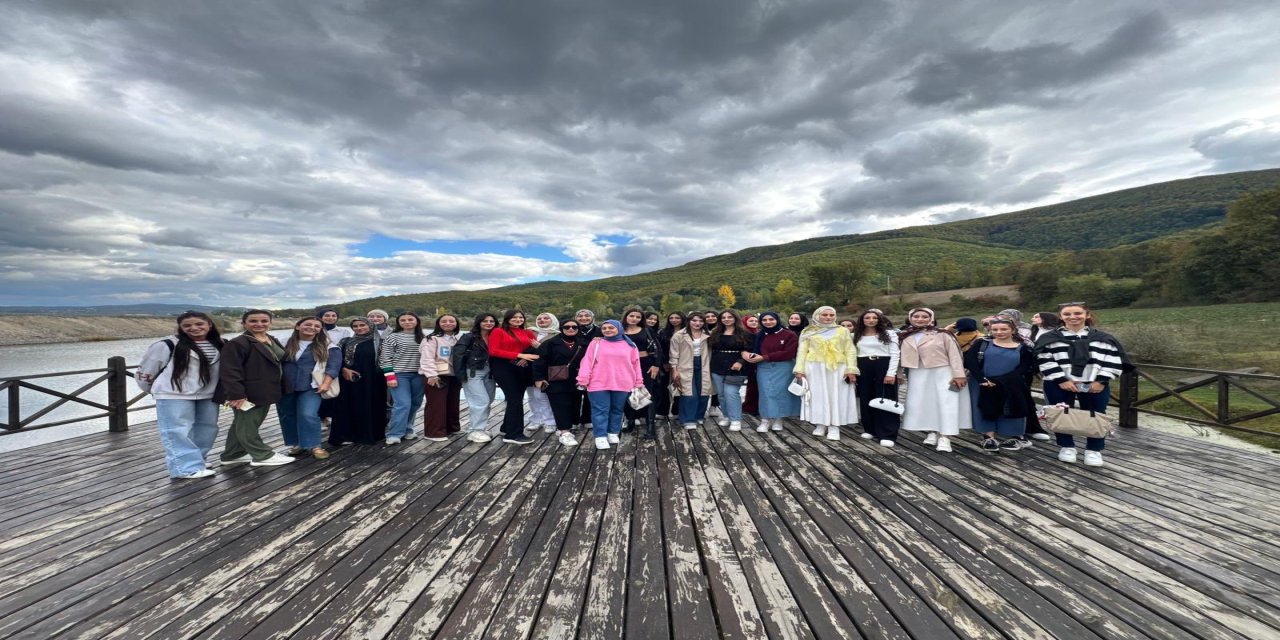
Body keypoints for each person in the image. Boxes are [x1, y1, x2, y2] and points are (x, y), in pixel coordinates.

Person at [1034, 302, 1131, 467]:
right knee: (1060, 414)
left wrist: (1101, 380)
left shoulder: (1103, 338)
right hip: (1059, 383)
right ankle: (1066, 447)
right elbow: (1044, 359)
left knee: (1096, 415)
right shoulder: (1049, 338)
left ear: (1087, 315)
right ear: (1061, 317)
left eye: (1077, 313)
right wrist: (1061, 380)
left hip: (1093, 384)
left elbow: (1113, 360)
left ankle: (1094, 450)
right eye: (1067, 314)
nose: (1073, 317)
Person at [136, 311, 225, 478]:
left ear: (209, 325)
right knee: (177, 430)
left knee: (207, 429)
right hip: (174, 394)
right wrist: (157, 390)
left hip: (208, 394)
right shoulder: (166, 345)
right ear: (180, 328)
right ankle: (185, 468)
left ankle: (198, 460)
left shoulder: (219, 344)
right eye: (187, 325)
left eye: (199, 324)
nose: (194, 328)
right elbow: (146, 371)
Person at [214, 310, 294, 466]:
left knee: (243, 423)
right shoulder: (238, 343)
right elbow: (229, 371)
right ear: (244, 323)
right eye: (253, 321)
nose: (259, 324)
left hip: (265, 390)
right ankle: (262, 455)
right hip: (248, 392)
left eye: (264, 321)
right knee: (248, 424)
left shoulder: (270, 339)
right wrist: (236, 394)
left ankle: (233, 454)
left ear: (270, 323)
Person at [897, 308, 970, 452]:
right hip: (918, 372)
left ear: (931, 318)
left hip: (942, 371)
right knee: (925, 402)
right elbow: (897, 357)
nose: (920, 319)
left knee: (946, 402)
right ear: (910, 318)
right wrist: (898, 373)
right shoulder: (904, 335)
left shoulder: (943, 334)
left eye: (924, 316)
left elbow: (955, 355)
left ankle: (945, 436)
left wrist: (959, 374)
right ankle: (931, 430)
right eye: (916, 316)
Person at [966, 318, 1036, 453]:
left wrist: (1001, 381)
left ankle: (1014, 435)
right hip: (983, 383)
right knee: (984, 407)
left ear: (1013, 330)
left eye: (1004, 329)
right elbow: (970, 361)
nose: (999, 332)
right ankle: (988, 437)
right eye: (995, 329)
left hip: (1011, 383)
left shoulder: (1023, 348)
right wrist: (982, 379)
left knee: (1012, 406)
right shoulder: (982, 343)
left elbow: (1024, 367)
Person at [278, 317, 341, 459]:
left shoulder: (328, 345)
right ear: (298, 326)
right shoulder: (283, 342)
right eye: (308, 324)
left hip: (310, 386)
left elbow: (334, 366)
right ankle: (296, 443)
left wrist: (326, 383)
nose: (312, 327)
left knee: (308, 414)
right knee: (287, 414)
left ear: (320, 330)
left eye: (316, 326)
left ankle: (314, 445)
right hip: (284, 385)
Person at [793, 306, 859, 441]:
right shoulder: (808, 331)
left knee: (836, 395)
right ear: (817, 316)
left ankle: (835, 426)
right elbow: (802, 351)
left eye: (831, 315)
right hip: (815, 367)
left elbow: (850, 350)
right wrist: (799, 369)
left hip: (837, 367)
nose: (828, 318)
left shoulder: (842, 331)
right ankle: (820, 423)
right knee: (818, 395)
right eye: (825, 315)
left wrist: (851, 369)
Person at [576, 320, 644, 450]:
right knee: (600, 410)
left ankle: (612, 432)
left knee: (617, 409)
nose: (607, 330)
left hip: (623, 382)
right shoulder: (596, 343)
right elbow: (586, 362)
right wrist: (583, 379)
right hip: (598, 382)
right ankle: (600, 436)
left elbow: (636, 365)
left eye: (611, 327)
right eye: (604, 328)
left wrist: (638, 382)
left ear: (619, 328)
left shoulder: (630, 344)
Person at [329, 317, 388, 446]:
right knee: (347, 406)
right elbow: (335, 359)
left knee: (372, 406)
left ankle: (371, 434)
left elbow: (387, 361)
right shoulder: (345, 341)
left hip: (374, 381)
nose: (359, 328)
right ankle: (346, 435)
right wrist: (343, 369)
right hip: (349, 380)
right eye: (355, 326)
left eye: (362, 325)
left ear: (370, 326)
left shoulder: (381, 342)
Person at [488, 310, 540, 445]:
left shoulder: (527, 332)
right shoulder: (498, 331)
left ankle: (506, 428)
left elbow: (535, 350)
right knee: (514, 400)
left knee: (516, 400)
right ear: (507, 319)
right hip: (504, 369)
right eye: (514, 317)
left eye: (520, 317)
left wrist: (533, 351)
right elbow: (493, 351)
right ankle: (514, 434)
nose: (518, 319)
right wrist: (519, 355)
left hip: (522, 369)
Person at [741, 311, 799, 432]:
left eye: (771, 319)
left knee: (781, 393)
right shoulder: (760, 335)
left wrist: (764, 357)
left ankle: (778, 419)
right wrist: (746, 354)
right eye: (764, 320)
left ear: (777, 320)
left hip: (783, 367)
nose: (768, 322)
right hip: (764, 367)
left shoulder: (789, 334)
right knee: (765, 393)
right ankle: (765, 420)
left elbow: (789, 353)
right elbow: (748, 349)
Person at [532, 318, 586, 447]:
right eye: (567, 327)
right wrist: (539, 379)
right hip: (555, 379)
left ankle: (569, 425)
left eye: (574, 327)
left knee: (575, 403)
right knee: (560, 405)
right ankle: (564, 432)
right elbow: (539, 362)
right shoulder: (550, 343)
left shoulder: (584, 343)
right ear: (561, 329)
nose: (571, 329)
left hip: (577, 379)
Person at [853, 309, 901, 447]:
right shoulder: (856, 335)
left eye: (874, 317)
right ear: (862, 320)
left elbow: (895, 353)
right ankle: (870, 428)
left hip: (883, 364)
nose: (871, 320)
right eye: (867, 317)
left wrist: (891, 373)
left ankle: (887, 433)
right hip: (863, 365)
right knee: (866, 397)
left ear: (879, 319)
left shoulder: (889, 333)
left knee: (886, 397)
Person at [380, 312, 425, 445]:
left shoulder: (424, 337)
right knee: (402, 404)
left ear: (417, 321)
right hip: (400, 375)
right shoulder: (393, 337)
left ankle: (408, 429)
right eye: (403, 320)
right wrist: (390, 377)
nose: (407, 322)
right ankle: (394, 433)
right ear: (399, 323)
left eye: (410, 319)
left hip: (419, 375)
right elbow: (385, 358)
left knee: (415, 403)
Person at [621, 307, 664, 439]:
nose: (634, 319)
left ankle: (650, 426)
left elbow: (658, 348)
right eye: (631, 316)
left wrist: (656, 365)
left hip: (645, 363)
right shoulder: (619, 330)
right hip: (624, 365)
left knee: (647, 393)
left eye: (638, 317)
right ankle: (631, 421)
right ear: (626, 316)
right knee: (627, 393)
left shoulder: (647, 330)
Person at [454, 314, 498, 442]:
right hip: (473, 372)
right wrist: (461, 375)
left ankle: (481, 427)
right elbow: (458, 355)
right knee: (480, 401)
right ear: (478, 322)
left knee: (488, 400)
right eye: (485, 321)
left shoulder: (495, 336)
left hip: (490, 372)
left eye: (491, 321)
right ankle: (475, 431)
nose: (488, 323)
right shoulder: (468, 337)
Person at [420, 314, 462, 442]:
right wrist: (431, 375)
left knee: (452, 403)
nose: (448, 323)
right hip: (437, 375)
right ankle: (434, 432)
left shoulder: (457, 339)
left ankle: (451, 428)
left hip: (453, 375)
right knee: (436, 405)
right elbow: (427, 357)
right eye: (444, 321)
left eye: (451, 321)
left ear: (456, 323)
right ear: (438, 323)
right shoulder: (431, 339)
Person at [708, 309, 752, 431]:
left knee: (731, 393)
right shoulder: (715, 332)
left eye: (729, 317)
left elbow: (749, 350)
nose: (726, 319)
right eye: (724, 317)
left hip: (736, 367)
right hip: (717, 366)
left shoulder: (745, 333)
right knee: (721, 395)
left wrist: (740, 362)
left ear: (735, 318)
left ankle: (735, 419)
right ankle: (727, 416)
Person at [669, 314, 713, 429]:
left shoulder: (708, 335)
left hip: (704, 364)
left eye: (700, 321)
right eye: (694, 320)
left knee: (703, 391)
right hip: (685, 364)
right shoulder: (679, 335)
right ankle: (688, 419)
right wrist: (674, 369)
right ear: (688, 321)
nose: (697, 323)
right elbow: (674, 354)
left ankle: (699, 416)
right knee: (689, 393)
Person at [524, 312, 560, 434]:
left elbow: (557, 354)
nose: (542, 320)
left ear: (553, 320)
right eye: (539, 318)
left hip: (545, 370)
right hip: (528, 369)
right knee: (532, 397)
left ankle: (550, 421)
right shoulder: (530, 332)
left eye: (546, 318)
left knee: (542, 396)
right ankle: (536, 419)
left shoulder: (558, 335)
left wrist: (540, 347)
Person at [572, 309, 599, 427]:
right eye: (580, 316)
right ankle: (573, 420)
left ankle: (587, 419)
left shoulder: (600, 331)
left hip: (595, 366)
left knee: (591, 393)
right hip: (574, 365)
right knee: (574, 394)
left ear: (592, 317)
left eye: (587, 315)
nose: (583, 318)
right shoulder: (571, 329)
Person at [658, 312, 686, 420]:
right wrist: (665, 362)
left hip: (683, 362)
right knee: (663, 387)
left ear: (682, 319)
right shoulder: (663, 332)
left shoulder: (687, 332)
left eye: (677, 317)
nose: (674, 320)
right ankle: (662, 411)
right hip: (666, 363)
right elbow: (660, 349)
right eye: (671, 318)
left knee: (680, 386)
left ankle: (677, 411)